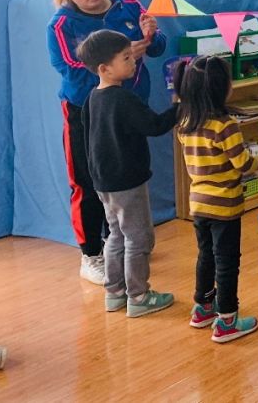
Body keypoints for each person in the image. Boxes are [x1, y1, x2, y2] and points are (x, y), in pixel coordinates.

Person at [46, 0, 166, 284]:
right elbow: (74, 73)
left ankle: (127, 239)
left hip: (130, 109)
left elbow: (156, 48)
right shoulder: (62, 25)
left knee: (129, 177)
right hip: (86, 112)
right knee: (87, 181)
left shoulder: (128, 5)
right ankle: (91, 254)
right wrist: (120, 59)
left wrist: (152, 35)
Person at [77, 30, 178, 317]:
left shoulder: (92, 99)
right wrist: (180, 107)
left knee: (116, 235)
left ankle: (115, 293)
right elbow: (155, 126)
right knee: (139, 237)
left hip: (103, 182)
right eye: (125, 58)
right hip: (127, 181)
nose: (132, 60)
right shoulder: (123, 99)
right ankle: (139, 295)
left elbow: (89, 141)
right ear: (104, 69)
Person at [173, 56, 258, 343]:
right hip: (224, 204)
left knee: (206, 256)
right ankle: (227, 320)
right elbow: (242, 163)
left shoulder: (186, 121)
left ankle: (203, 308)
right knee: (227, 262)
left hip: (198, 202)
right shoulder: (225, 125)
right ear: (222, 88)